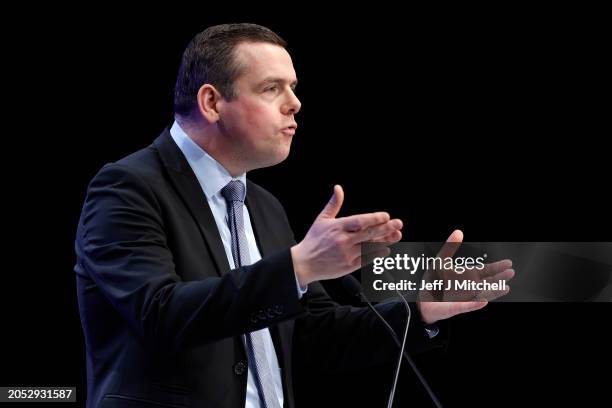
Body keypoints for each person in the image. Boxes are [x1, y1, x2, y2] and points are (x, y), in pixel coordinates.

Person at [75, 23, 512, 408]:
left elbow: (313, 335)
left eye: (294, 87)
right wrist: (300, 265)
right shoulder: (127, 188)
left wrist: (421, 311)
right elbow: (161, 315)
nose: (295, 104)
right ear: (211, 102)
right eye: (272, 88)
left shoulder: (262, 205)